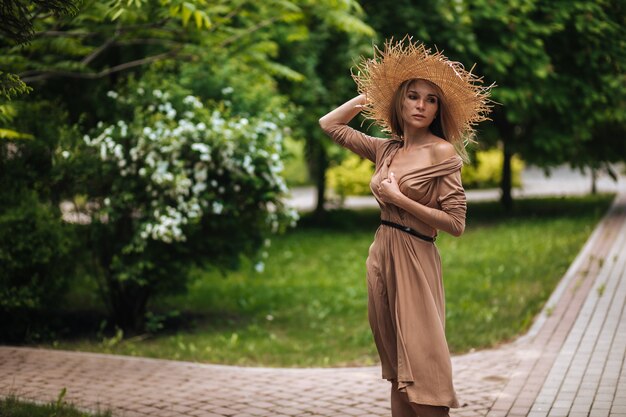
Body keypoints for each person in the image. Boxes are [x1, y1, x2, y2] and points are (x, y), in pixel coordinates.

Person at [318, 37, 494, 417]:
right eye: (412, 96)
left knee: (423, 364)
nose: (421, 105)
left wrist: (400, 199)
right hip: (382, 255)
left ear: (437, 110)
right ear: (400, 101)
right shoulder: (387, 149)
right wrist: (368, 97)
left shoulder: (441, 153)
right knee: (397, 367)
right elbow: (330, 124)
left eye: (430, 100)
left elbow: (456, 224)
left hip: (417, 257)